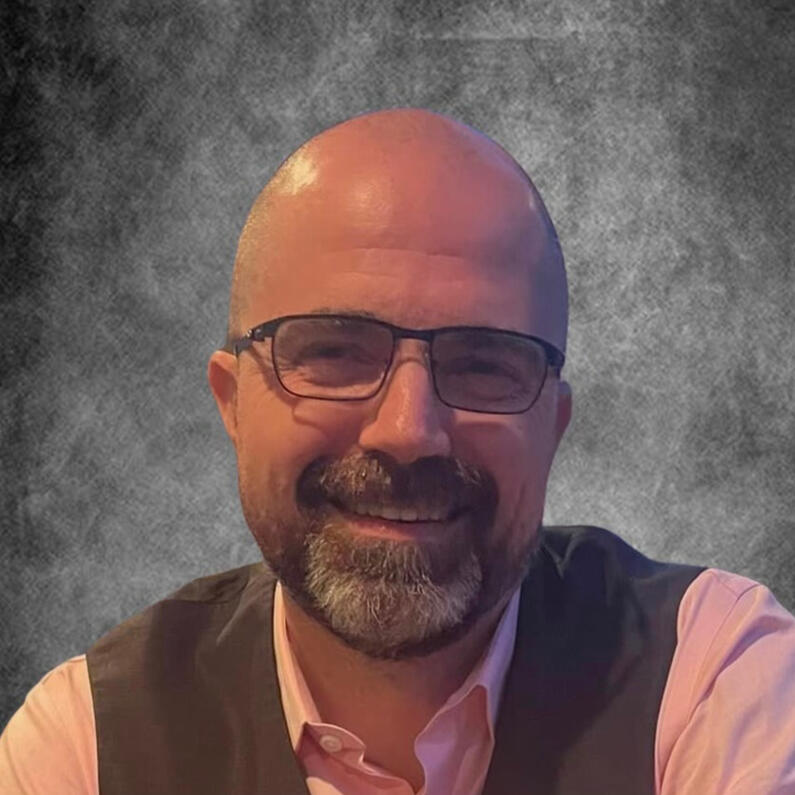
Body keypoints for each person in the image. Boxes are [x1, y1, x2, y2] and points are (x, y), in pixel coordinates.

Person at [1, 107, 794, 795]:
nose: (409, 430)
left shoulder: (710, 673)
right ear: (233, 401)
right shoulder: (86, 744)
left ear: (552, 425)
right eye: (333, 351)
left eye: (483, 364)